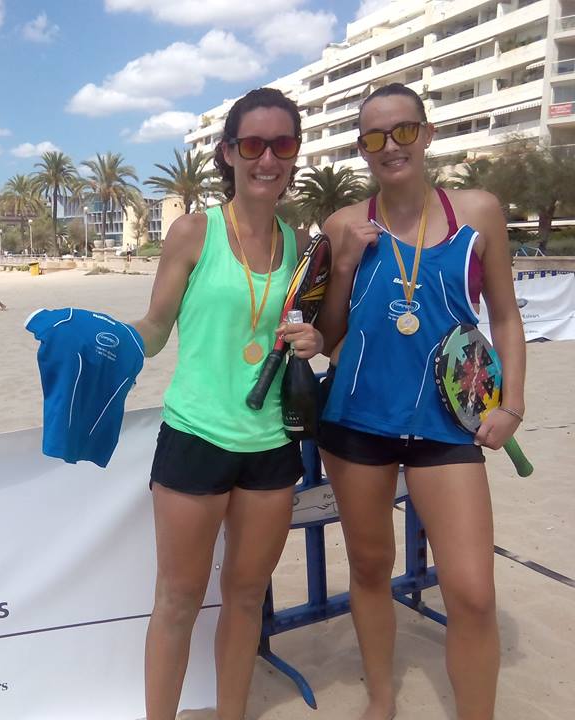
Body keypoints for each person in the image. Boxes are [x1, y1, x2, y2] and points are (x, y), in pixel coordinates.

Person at [315, 83, 526, 720]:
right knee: (370, 567)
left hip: (449, 422)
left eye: (403, 130)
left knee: (472, 592)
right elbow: (328, 335)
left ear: (427, 134)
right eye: (374, 137)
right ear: (361, 148)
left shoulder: (477, 213)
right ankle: (382, 698)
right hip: (356, 420)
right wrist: (344, 267)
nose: (391, 146)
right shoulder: (343, 224)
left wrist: (511, 405)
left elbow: (506, 317)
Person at [130, 87, 322, 720]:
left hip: (272, 444)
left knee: (245, 597)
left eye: (282, 145)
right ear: (228, 153)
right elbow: (156, 328)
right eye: (253, 145)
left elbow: (311, 329)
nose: (267, 159)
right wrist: (113, 341)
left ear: (294, 153)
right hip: (196, 436)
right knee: (178, 600)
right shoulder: (194, 231)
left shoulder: (300, 245)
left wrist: (315, 339)